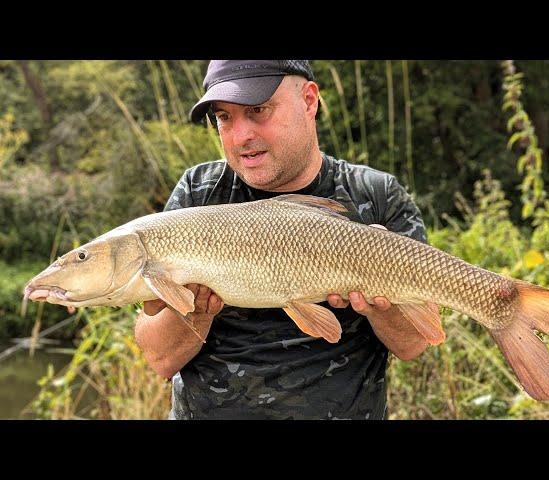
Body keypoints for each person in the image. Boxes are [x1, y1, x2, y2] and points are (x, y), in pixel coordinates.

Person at [134, 60, 430, 420]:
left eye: (258, 110)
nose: (240, 136)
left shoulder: (376, 195)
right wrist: (196, 310)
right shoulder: (199, 194)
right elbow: (160, 358)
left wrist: (381, 306)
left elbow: (414, 343)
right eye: (224, 118)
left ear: (309, 101)